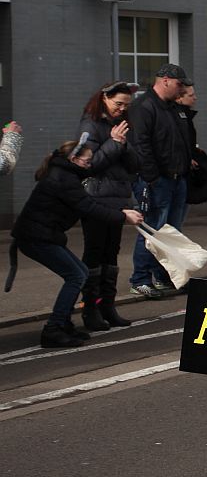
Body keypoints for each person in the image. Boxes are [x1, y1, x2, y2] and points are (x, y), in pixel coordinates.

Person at [7, 141, 143, 347]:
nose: (90, 166)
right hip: (36, 237)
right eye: (87, 161)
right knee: (76, 275)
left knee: (80, 272)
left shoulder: (65, 174)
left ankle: (63, 324)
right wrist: (122, 216)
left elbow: (89, 204)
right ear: (74, 159)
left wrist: (120, 213)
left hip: (42, 235)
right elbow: (88, 206)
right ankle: (53, 329)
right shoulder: (63, 178)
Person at [127, 63, 194, 299]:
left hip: (176, 178)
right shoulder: (144, 107)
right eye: (178, 84)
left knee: (170, 232)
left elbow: (180, 140)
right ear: (165, 80)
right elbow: (141, 145)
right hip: (157, 180)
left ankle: (164, 277)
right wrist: (152, 178)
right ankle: (140, 279)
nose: (181, 89)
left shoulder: (171, 108)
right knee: (152, 230)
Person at [76, 81, 140, 330]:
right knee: (94, 253)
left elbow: (135, 164)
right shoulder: (90, 124)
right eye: (118, 104)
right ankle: (90, 308)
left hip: (118, 199)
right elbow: (86, 164)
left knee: (111, 253)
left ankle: (107, 305)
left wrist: (121, 145)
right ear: (104, 98)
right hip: (95, 199)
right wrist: (114, 143)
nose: (122, 109)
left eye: (126, 105)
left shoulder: (122, 126)